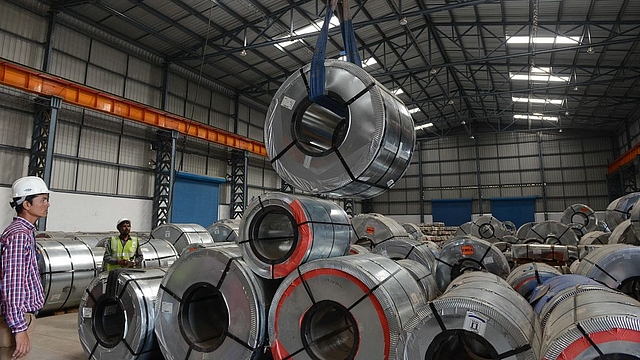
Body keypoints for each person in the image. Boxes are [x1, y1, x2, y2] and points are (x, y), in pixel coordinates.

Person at [0, 176, 49, 359]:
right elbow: (13, 285)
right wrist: (19, 328)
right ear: (27, 204)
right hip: (17, 320)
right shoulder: (19, 235)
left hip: (20, 318)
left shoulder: (25, 232)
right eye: (43, 199)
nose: (47, 204)